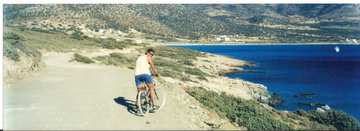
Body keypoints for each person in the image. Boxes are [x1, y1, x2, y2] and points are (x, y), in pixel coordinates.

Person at [134, 48, 159, 113]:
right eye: (150, 54)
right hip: (145, 75)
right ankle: (153, 106)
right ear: (147, 53)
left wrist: (150, 72)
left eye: (152, 55)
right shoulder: (148, 57)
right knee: (151, 88)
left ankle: (137, 106)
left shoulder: (139, 58)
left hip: (137, 75)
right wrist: (156, 73)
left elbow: (142, 66)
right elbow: (152, 66)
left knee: (140, 91)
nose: (151, 55)